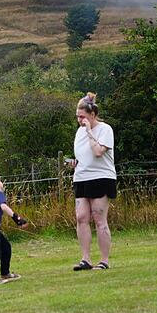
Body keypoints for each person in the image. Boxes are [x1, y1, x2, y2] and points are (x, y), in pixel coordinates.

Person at [70, 92, 116, 271]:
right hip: (81, 178)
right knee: (81, 217)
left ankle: (104, 260)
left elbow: (98, 152)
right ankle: (85, 259)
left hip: (101, 178)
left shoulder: (105, 129)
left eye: (82, 116)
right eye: (77, 116)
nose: (80, 120)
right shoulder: (78, 132)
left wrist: (89, 131)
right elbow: (83, 155)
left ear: (93, 115)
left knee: (98, 218)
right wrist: (75, 163)